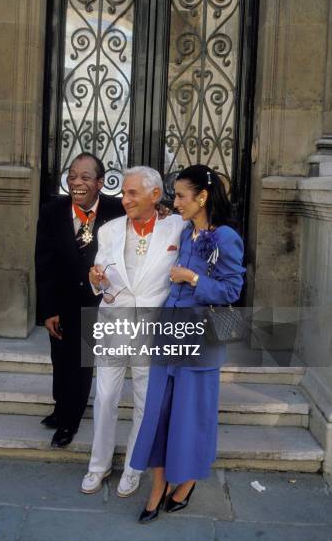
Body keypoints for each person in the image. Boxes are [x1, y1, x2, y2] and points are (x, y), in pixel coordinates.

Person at [130, 164, 246, 523]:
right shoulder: (182, 231)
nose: (175, 201)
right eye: (174, 194)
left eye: (181, 195)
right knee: (158, 413)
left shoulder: (225, 237)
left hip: (202, 340)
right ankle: (158, 486)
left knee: (192, 416)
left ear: (203, 197)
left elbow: (232, 290)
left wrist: (193, 277)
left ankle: (189, 480)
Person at [80, 167, 185, 497]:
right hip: (114, 320)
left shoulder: (176, 227)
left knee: (144, 399)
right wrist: (95, 278)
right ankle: (98, 465)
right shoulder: (109, 230)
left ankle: (134, 467)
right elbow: (99, 270)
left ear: (155, 196)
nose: (124, 199)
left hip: (153, 325)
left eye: (132, 193)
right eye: (123, 193)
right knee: (107, 395)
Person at [35, 153, 124, 448]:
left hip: (97, 302)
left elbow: (147, 215)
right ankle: (60, 408)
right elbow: (43, 263)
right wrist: (48, 310)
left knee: (81, 363)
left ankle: (69, 422)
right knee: (60, 360)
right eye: (72, 176)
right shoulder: (52, 211)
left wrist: (161, 212)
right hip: (62, 301)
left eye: (85, 177)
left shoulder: (117, 209)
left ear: (100, 183)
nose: (77, 182)